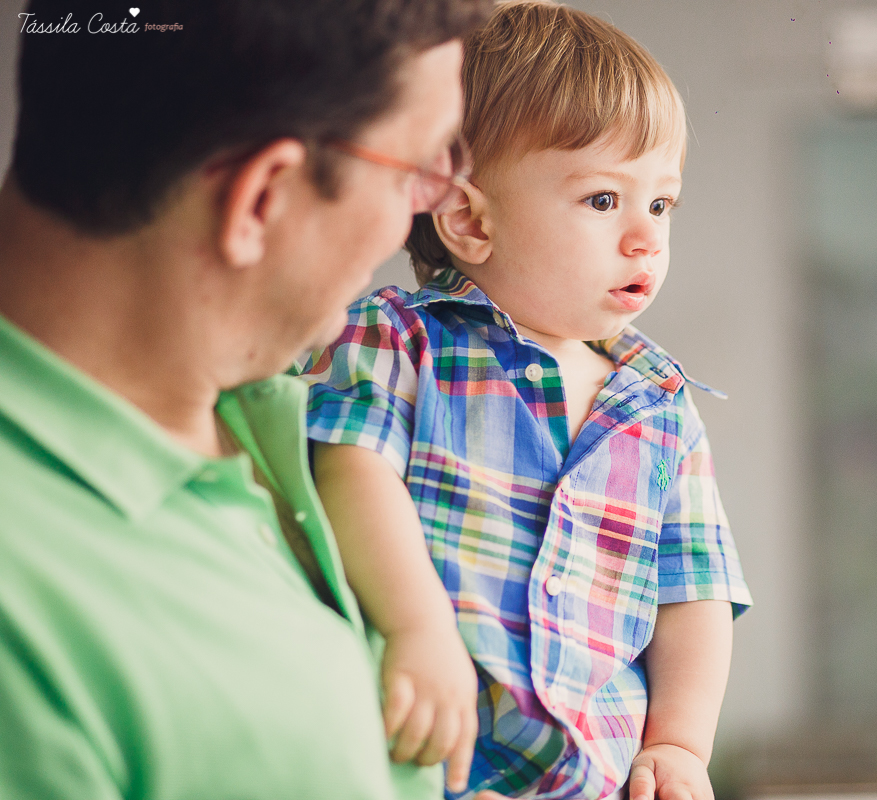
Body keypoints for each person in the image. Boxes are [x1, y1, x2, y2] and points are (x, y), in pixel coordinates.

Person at [0, 0, 492, 798]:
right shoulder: (22, 623)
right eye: (419, 169)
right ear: (262, 198)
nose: (434, 204)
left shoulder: (278, 399)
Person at [299, 3, 753, 799]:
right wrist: (416, 628)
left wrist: (680, 743)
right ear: (470, 219)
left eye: (661, 204)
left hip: (597, 778)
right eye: (604, 200)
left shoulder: (660, 406)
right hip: (428, 757)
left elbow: (694, 591)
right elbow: (350, 473)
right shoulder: (399, 339)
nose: (646, 237)